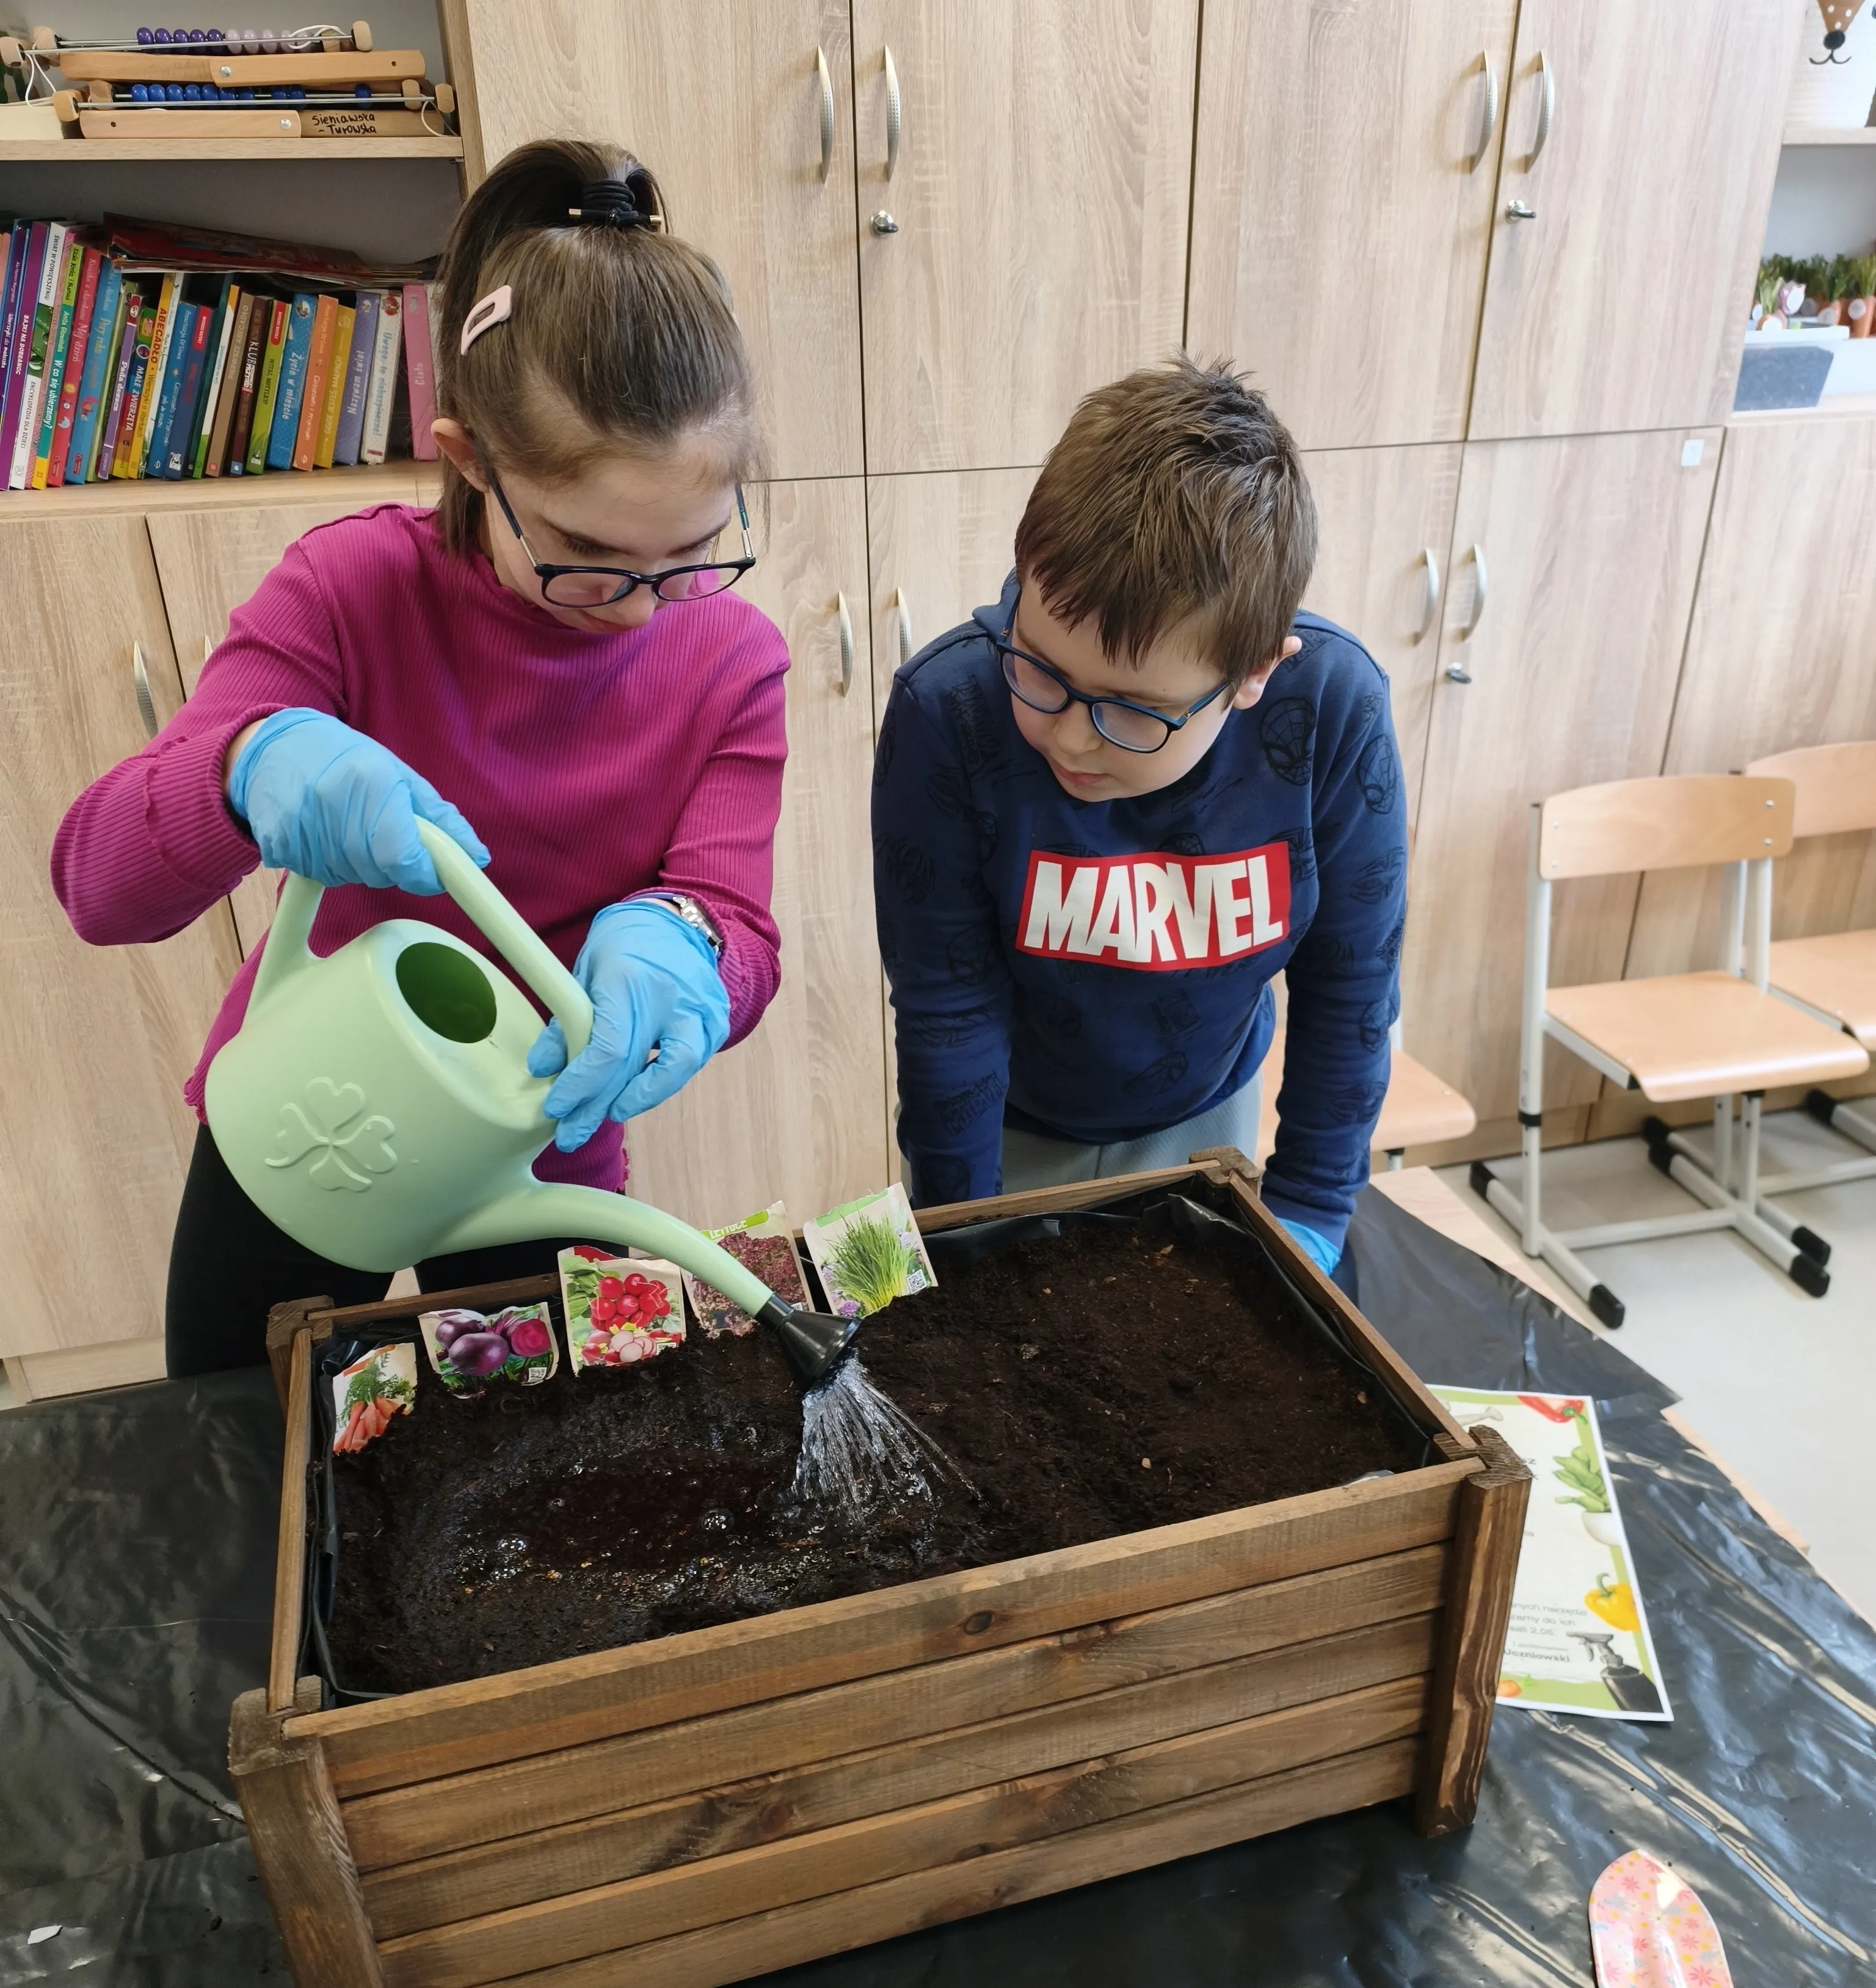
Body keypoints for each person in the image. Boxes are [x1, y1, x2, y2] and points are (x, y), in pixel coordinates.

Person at [52, 140, 788, 1375]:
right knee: (249, 1459)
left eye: (693, 553)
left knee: (539, 1491)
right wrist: (244, 768)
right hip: (308, 1117)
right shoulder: (350, 593)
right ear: (466, 460)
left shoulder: (734, 660)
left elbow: (737, 921)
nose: (640, 608)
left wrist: (692, 947)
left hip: (540, 1147)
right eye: (586, 554)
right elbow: (98, 885)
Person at [871, 358, 1408, 1275]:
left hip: (1209, 1116)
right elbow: (949, 1013)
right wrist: (962, 1230)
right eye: (1038, 668)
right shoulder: (947, 711)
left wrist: (1313, 1207)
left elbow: (1351, 989)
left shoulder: (1330, 710)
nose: (1070, 738)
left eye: (1129, 709)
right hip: (1006, 1121)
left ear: (1253, 675)